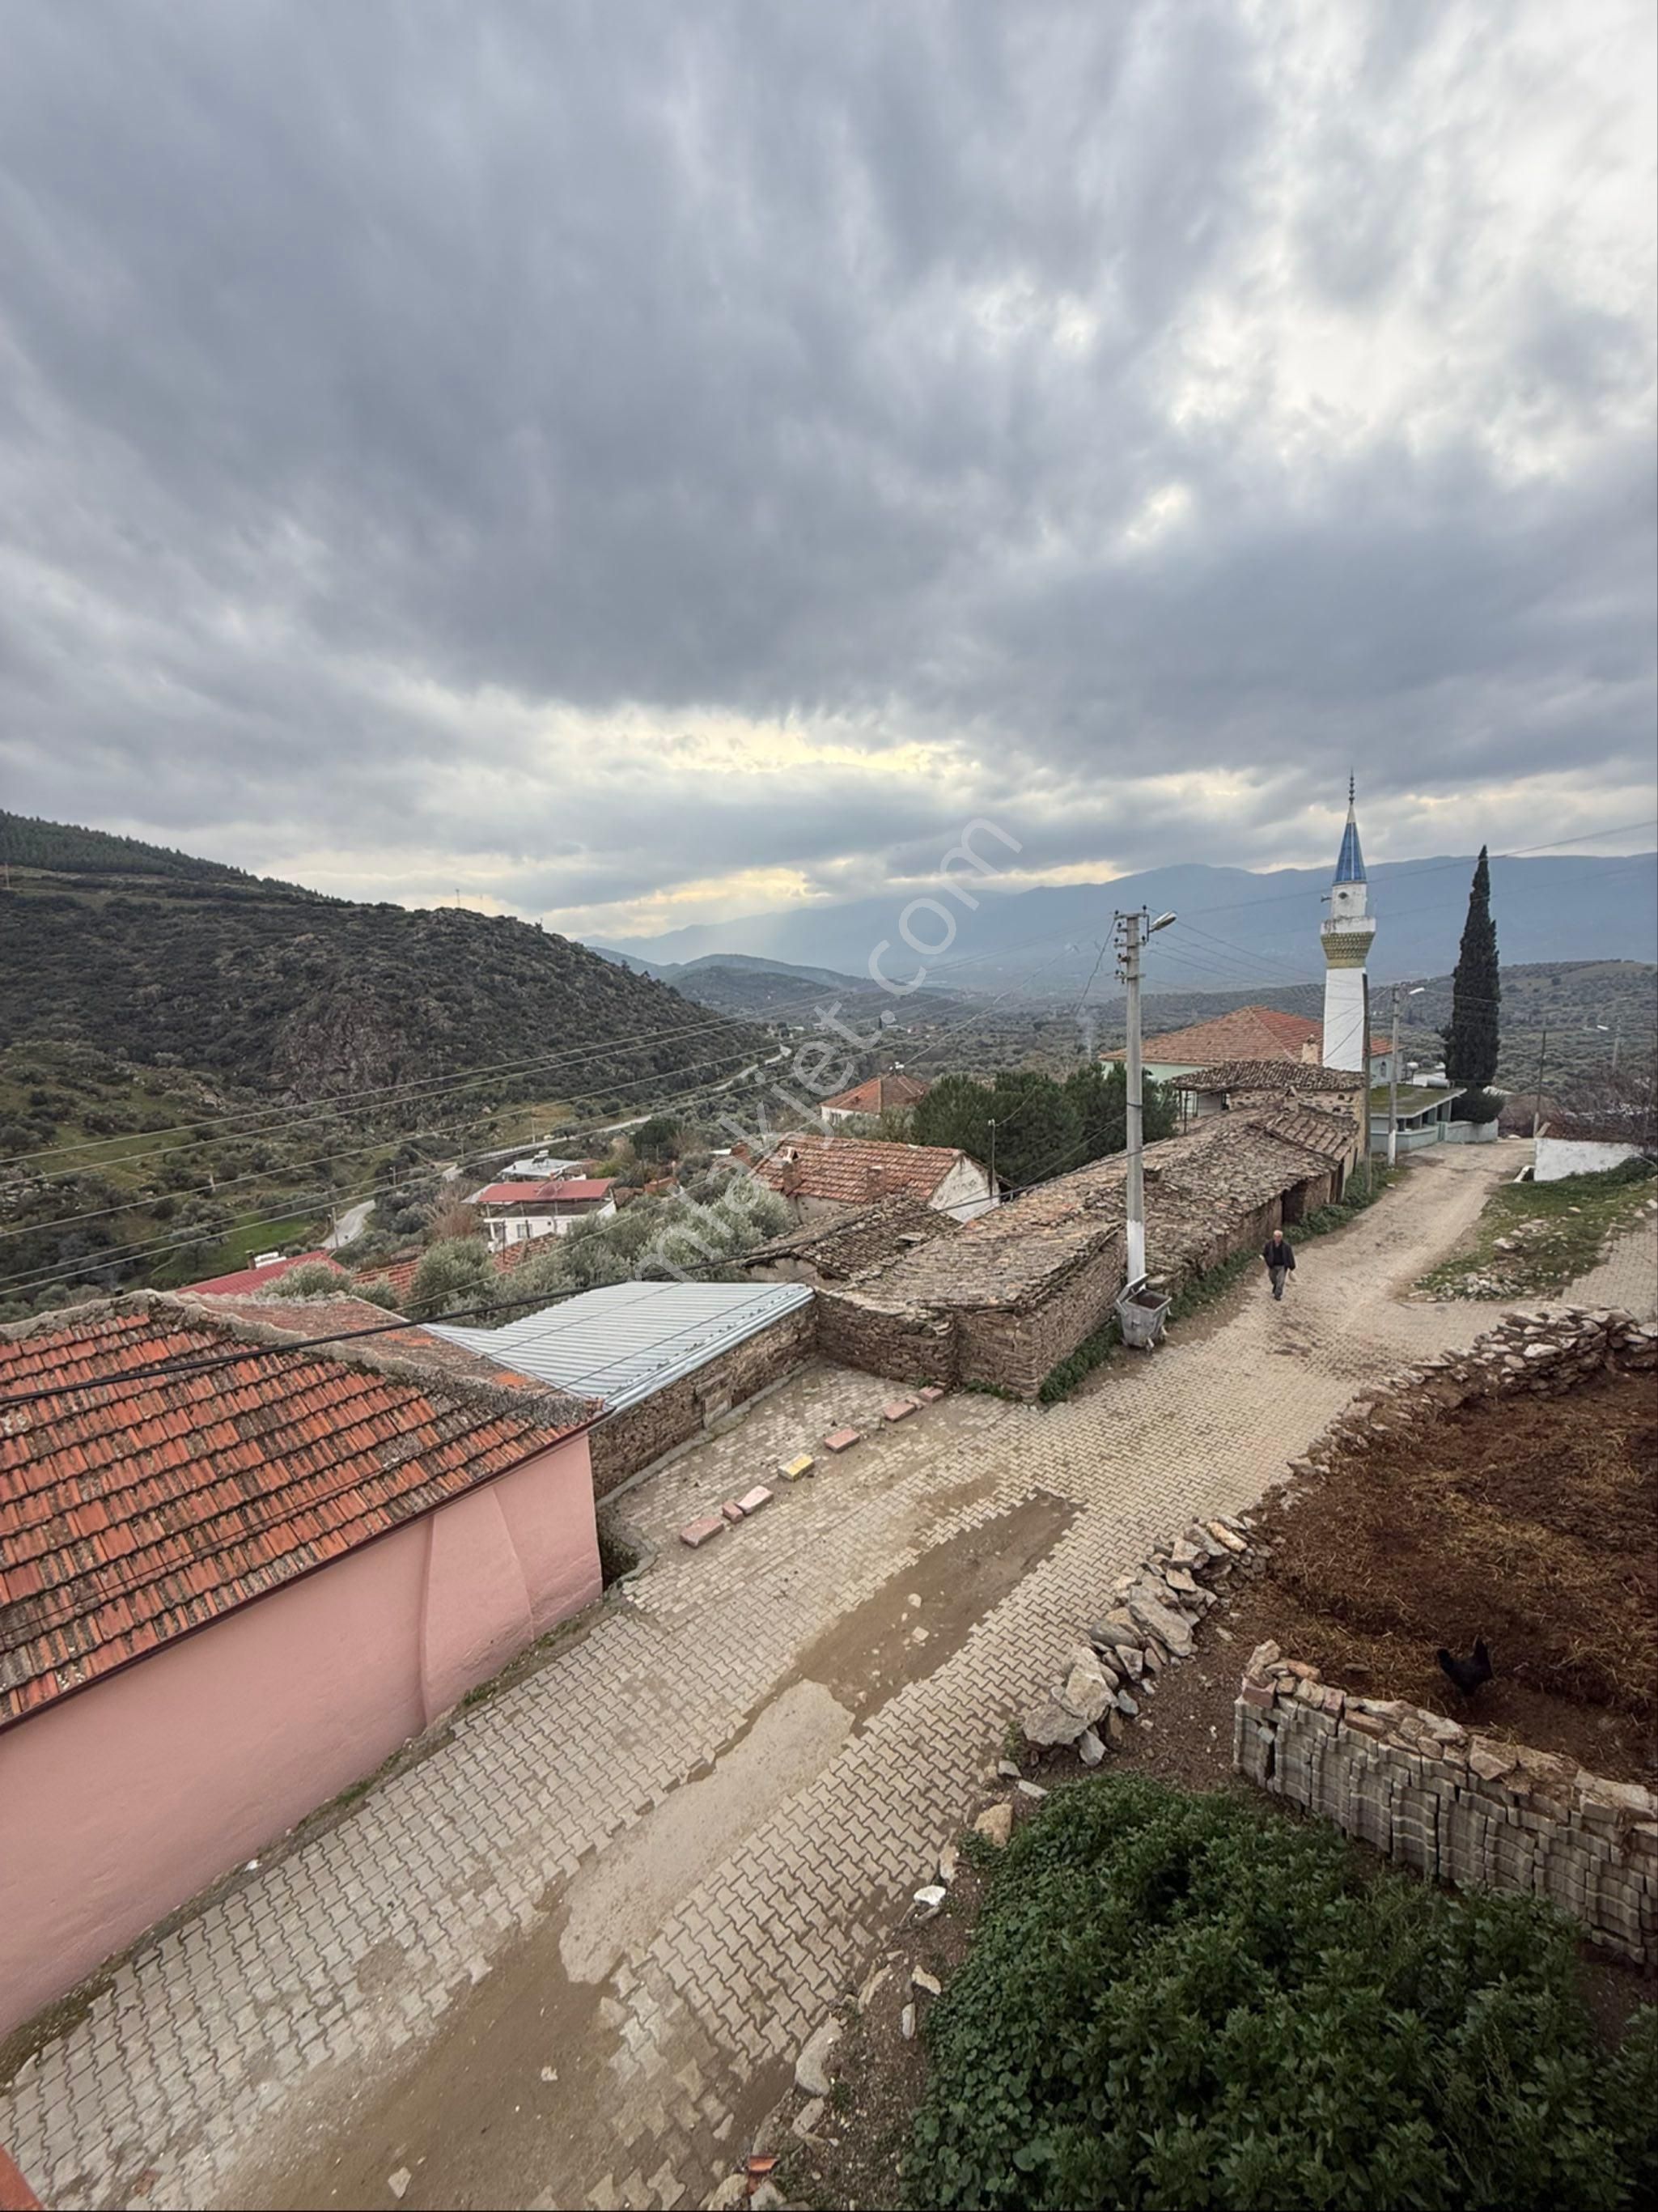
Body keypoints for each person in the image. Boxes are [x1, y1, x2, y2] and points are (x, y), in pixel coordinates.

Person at [1262, 1225, 1295, 1301]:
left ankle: (1278, 1295)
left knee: (1281, 1281)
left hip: (1282, 1266)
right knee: (1272, 1278)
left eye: (1279, 1236)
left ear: (1281, 1237)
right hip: (1272, 1265)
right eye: (1276, 1236)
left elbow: (1290, 1256)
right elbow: (1265, 1253)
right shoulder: (1269, 1245)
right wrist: (1268, 1261)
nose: (1277, 1238)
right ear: (1273, 1237)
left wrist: (1292, 1266)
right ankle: (1275, 1286)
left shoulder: (1286, 1246)